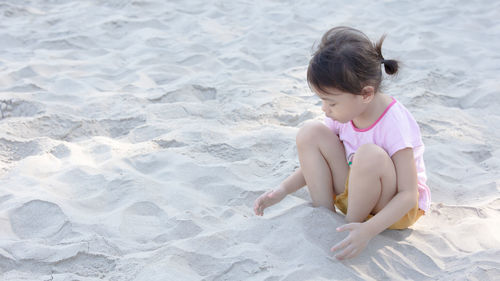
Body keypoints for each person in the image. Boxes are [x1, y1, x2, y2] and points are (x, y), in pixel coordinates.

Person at [253, 26, 431, 260]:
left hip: (391, 208)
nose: (325, 110)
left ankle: (351, 227)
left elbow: (408, 195)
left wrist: (367, 230)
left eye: (332, 103)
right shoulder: (346, 112)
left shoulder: (394, 123)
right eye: (322, 101)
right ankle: (325, 217)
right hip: (356, 193)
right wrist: (283, 190)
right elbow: (319, 160)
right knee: (311, 132)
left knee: (369, 154)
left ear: (366, 94)